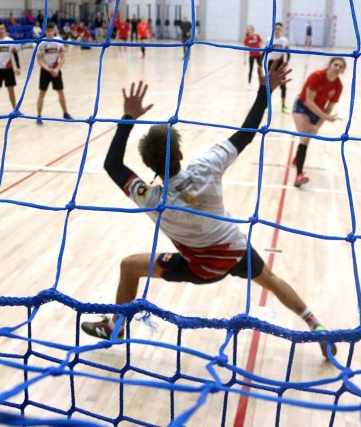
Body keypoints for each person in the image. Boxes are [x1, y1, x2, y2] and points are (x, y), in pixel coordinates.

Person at [80, 62, 337, 359]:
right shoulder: (206, 167)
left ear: (149, 167)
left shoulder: (150, 198)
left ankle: (116, 326)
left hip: (198, 268)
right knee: (270, 279)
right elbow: (246, 133)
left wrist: (127, 118)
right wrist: (264, 92)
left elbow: (113, 165)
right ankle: (315, 325)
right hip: (234, 251)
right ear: (180, 154)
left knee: (129, 266)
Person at [292, 57, 346, 188]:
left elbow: (328, 108)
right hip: (302, 106)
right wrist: (327, 118)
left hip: (318, 111)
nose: (338, 68)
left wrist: (317, 126)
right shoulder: (316, 76)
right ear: (329, 65)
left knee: (307, 138)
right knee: (305, 138)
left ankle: (297, 158)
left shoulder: (338, 86)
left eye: (341, 67)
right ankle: (299, 175)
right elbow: (309, 102)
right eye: (336, 64)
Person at [36, 23, 73, 125]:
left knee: (60, 92)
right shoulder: (41, 43)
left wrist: (57, 69)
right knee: (42, 93)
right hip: (45, 71)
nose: (49, 32)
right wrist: (48, 69)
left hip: (56, 70)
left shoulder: (58, 42)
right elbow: (39, 60)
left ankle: (66, 113)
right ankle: (39, 116)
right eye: (47, 31)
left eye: (51, 30)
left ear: (54, 31)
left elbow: (63, 58)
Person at [0, 22, 21, 115]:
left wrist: (18, 67)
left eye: (2, 28)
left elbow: (15, 54)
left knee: (11, 90)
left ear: (5, 29)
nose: (1, 31)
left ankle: (15, 110)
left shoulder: (10, 40)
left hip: (8, 69)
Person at [265, 22, 290, 113]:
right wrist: (260, 62)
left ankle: (283, 106)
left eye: (279, 29)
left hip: (281, 63)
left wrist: (286, 64)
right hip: (271, 63)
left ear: (281, 30)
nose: (277, 30)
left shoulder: (284, 40)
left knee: (283, 85)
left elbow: (288, 53)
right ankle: (267, 105)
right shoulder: (268, 40)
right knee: (269, 85)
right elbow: (264, 52)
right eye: (276, 28)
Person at [244, 25, 262, 89]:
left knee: (260, 70)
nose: (248, 30)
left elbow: (260, 44)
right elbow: (246, 49)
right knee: (250, 70)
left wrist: (261, 52)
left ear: (252, 30)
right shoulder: (246, 39)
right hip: (251, 56)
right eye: (247, 30)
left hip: (258, 55)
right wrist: (245, 59)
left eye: (249, 29)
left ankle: (261, 84)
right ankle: (249, 84)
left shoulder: (257, 36)